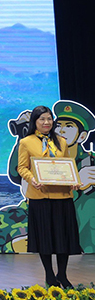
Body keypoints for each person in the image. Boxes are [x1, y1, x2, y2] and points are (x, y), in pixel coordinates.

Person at [17, 105, 81, 288]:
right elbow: (22, 167)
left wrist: (74, 180)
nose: (46, 122)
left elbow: (69, 164)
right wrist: (32, 179)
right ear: (35, 122)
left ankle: (62, 274)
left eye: (49, 119)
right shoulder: (26, 142)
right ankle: (49, 275)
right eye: (42, 119)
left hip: (62, 195)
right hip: (40, 196)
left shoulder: (61, 141)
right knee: (45, 237)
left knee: (63, 237)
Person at [52, 100, 95, 254]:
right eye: (58, 125)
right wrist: (77, 182)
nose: (61, 131)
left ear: (82, 136)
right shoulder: (47, 161)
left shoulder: (91, 162)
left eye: (69, 127)